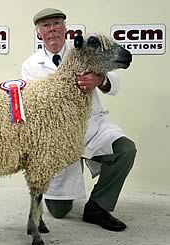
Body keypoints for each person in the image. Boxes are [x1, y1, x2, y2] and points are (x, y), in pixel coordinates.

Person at [21, 8, 137, 231]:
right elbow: (31, 101)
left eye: (57, 24)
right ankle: (58, 197)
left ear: (65, 29)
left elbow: (114, 84)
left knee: (125, 150)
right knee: (59, 210)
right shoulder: (30, 65)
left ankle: (98, 207)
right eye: (46, 26)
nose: (52, 29)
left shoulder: (87, 49)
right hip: (58, 136)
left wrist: (99, 79)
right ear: (39, 33)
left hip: (91, 128)